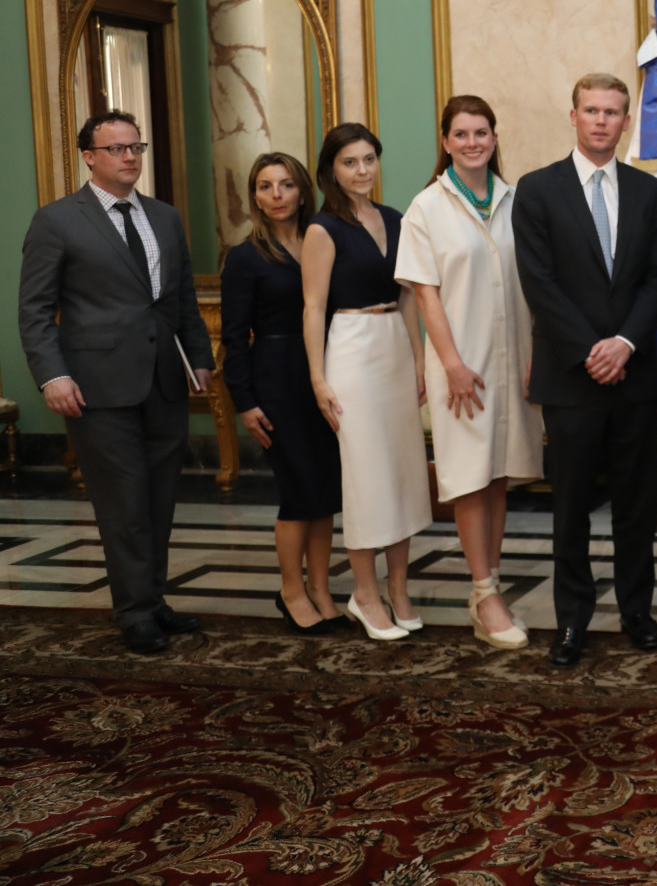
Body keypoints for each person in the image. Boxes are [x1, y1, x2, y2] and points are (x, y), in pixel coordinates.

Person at [18, 110, 214, 654]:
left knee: (158, 500)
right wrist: (52, 375)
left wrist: (199, 357)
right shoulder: (57, 220)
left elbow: (181, 297)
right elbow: (34, 309)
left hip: (164, 380)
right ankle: (134, 612)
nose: (130, 157)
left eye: (136, 147)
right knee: (122, 504)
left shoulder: (165, 217)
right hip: (97, 386)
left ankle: (153, 599)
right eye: (117, 149)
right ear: (89, 157)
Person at [513, 72, 657, 669]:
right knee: (571, 507)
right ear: (573, 116)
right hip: (570, 376)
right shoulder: (537, 190)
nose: (601, 120)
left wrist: (624, 343)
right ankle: (572, 621)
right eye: (591, 110)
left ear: (626, 122)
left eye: (612, 112)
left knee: (637, 503)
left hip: (635, 374)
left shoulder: (649, 191)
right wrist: (591, 351)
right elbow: (540, 283)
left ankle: (637, 612)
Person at [397, 96, 543, 652]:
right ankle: (483, 593)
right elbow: (425, 295)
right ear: (445, 142)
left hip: (512, 359)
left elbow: (533, 285)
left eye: (481, 132)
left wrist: (535, 354)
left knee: (499, 473)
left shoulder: (514, 201)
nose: (472, 142)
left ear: (495, 138)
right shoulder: (426, 208)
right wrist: (452, 364)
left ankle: (491, 588)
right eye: (461, 134)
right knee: (470, 478)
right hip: (462, 368)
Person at [301, 123, 433, 642]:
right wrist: (318, 377)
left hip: (394, 344)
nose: (362, 170)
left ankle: (398, 589)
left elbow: (408, 296)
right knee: (365, 475)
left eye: (369, 159)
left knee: (402, 472)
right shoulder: (322, 229)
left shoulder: (396, 219)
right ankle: (364, 592)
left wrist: (419, 359)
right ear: (331, 170)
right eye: (350, 162)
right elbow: (313, 307)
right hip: (351, 348)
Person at [221, 152, 345, 634]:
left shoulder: (322, 238)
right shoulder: (244, 257)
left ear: (302, 190)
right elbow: (234, 337)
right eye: (265, 186)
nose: (276, 195)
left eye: (286, 185)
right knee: (299, 491)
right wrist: (245, 402)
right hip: (274, 379)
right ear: (254, 196)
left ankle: (321, 589)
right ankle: (292, 591)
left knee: (324, 491)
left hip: (325, 373)